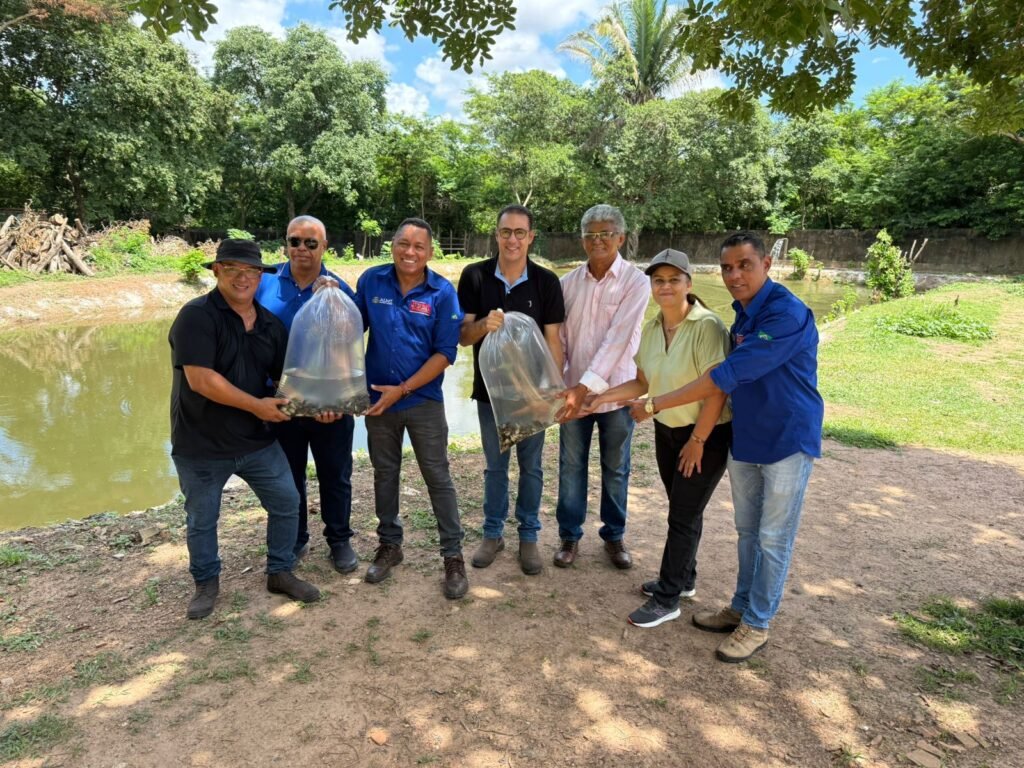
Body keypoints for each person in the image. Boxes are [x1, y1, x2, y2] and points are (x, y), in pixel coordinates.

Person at [641, 232, 823, 662]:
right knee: (746, 532)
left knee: (773, 537)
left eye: (744, 265)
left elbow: (726, 376)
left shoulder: (786, 314)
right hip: (747, 437)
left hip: (787, 438)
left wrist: (655, 404)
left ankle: (757, 623)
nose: (735, 275)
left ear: (767, 265)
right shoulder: (742, 315)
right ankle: (740, 606)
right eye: (727, 268)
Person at [168, 239, 321, 620]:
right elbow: (202, 380)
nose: (243, 278)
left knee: (287, 501)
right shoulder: (196, 316)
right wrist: (259, 406)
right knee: (202, 519)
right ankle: (206, 583)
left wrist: (324, 403)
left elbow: (287, 380)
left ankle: (280, 571)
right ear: (217, 271)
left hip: (256, 441)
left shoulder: (270, 324)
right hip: (201, 443)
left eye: (251, 271)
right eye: (233, 269)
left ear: (261, 276)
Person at [586, 249, 732, 628]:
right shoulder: (651, 329)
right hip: (668, 430)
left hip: (705, 435)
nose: (665, 287)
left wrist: (698, 440)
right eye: (658, 280)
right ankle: (685, 579)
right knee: (685, 508)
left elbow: (716, 389)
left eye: (673, 280)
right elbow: (642, 383)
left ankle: (667, 599)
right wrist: (600, 397)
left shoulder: (708, 326)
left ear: (689, 283)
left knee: (682, 515)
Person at [355, 218, 469, 599]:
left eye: (419, 246)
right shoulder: (372, 281)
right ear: (392, 246)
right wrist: (328, 289)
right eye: (403, 243)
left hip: (423, 403)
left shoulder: (442, 292)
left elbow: (445, 353)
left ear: (430, 253)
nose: (410, 252)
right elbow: (348, 327)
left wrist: (401, 390)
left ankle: (453, 556)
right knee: (384, 474)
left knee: (438, 477)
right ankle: (390, 545)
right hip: (378, 403)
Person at [457, 205, 565, 575]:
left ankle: (529, 536)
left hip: (533, 396)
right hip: (491, 395)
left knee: (532, 468)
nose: (513, 239)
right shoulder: (475, 276)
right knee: (495, 467)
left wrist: (553, 390)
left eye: (520, 232)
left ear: (531, 237)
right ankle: (493, 533)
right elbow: (462, 337)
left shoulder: (546, 282)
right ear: (497, 235)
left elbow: (554, 341)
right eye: (506, 232)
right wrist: (484, 325)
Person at [255, 216, 359, 574]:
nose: (301, 249)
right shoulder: (263, 285)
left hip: (329, 406)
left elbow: (349, 353)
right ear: (285, 244)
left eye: (311, 243)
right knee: (288, 477)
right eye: (294, 241)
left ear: (325, 247)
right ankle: (294, 538)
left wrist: (336, 401)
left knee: (336, 474)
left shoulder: (341, 291)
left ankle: (339, 539)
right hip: (280, 403)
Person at [553, 204, 650, 569]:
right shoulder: (567, 284)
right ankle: (569, 537)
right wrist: (562, 386)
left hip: (618, 394)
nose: (598, 241)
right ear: (582, 240)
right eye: (591, 235)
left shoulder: (637, 283)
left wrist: (585, 387)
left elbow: (619, 340)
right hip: (573, 396)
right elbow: (559, 339)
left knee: (616, 467)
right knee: (571, 465)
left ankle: (614, 536)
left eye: (606, 233)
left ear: (621, 238)